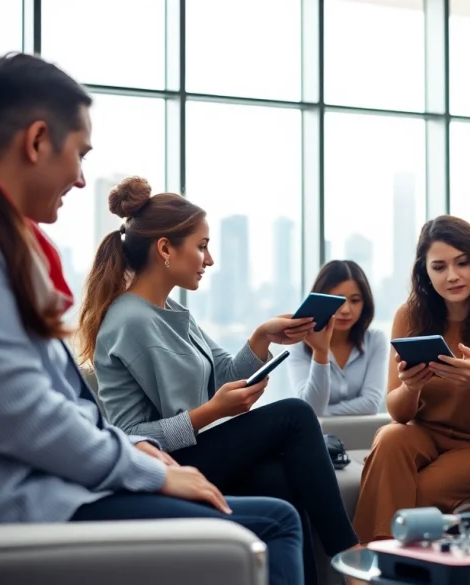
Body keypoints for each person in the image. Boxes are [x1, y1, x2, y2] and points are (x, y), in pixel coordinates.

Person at [0, 52, 303, 585]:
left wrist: (138, 452)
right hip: (49, 499)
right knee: (276, 520)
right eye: (79, 155)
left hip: (76, 477)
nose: (80, 179)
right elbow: (30, 416)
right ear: (38, 141)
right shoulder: (118, 314)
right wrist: (145, 465)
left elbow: (67, 412)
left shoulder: (18, 255)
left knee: (276, 479)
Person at [76, 176, 358, 585]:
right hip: (165, 466)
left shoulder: (172, 311)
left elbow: (222, 374)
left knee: (281, 482)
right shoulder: (129, 321)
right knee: (294, 415)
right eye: (202, 246)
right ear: (165, 249)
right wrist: (209, 413)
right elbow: (127, 436)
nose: (209, 260)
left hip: (195, 451)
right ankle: (349, 559)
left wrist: (262, 338)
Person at [353, 215, 470, 542]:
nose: (452, 276)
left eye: (462, 263)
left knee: (409, 493)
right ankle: (372, 571)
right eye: (439, 267)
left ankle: (381, 566)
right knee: (390, 437)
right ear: (426, 272)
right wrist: (412, 386)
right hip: (424, 434)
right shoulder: (409, 315)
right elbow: (399, 413)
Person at [288, 260, 387, 416]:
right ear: (320, 301)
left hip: (361, 437)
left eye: (355, 300)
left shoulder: (375, 340)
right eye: (337, 301)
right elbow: (311, 405)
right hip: (314, 439)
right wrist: (320, 352)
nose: (346, 310)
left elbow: (371, 403)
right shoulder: (299, 345)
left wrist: (323, 413)